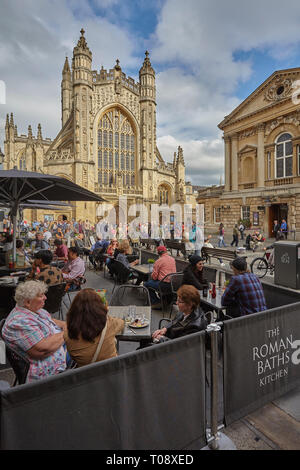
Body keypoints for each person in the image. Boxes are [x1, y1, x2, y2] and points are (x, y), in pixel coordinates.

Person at [1, 280, 67, 382]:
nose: (45, 297)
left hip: (56, 345)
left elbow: (51, 321)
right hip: (45, 364)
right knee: (88, 346)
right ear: (28, 302)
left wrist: (66, 325)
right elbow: (43, 349)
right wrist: (68, 332)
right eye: (41, 296)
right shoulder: (20, 322)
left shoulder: (34, 309)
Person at [64, 288, 124, 366]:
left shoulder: (68, 336)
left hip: (88, 376)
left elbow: (74, 358)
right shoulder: (109, 324)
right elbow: (121, 323)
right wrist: (105, 314)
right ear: (98, 308)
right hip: (112, 371)